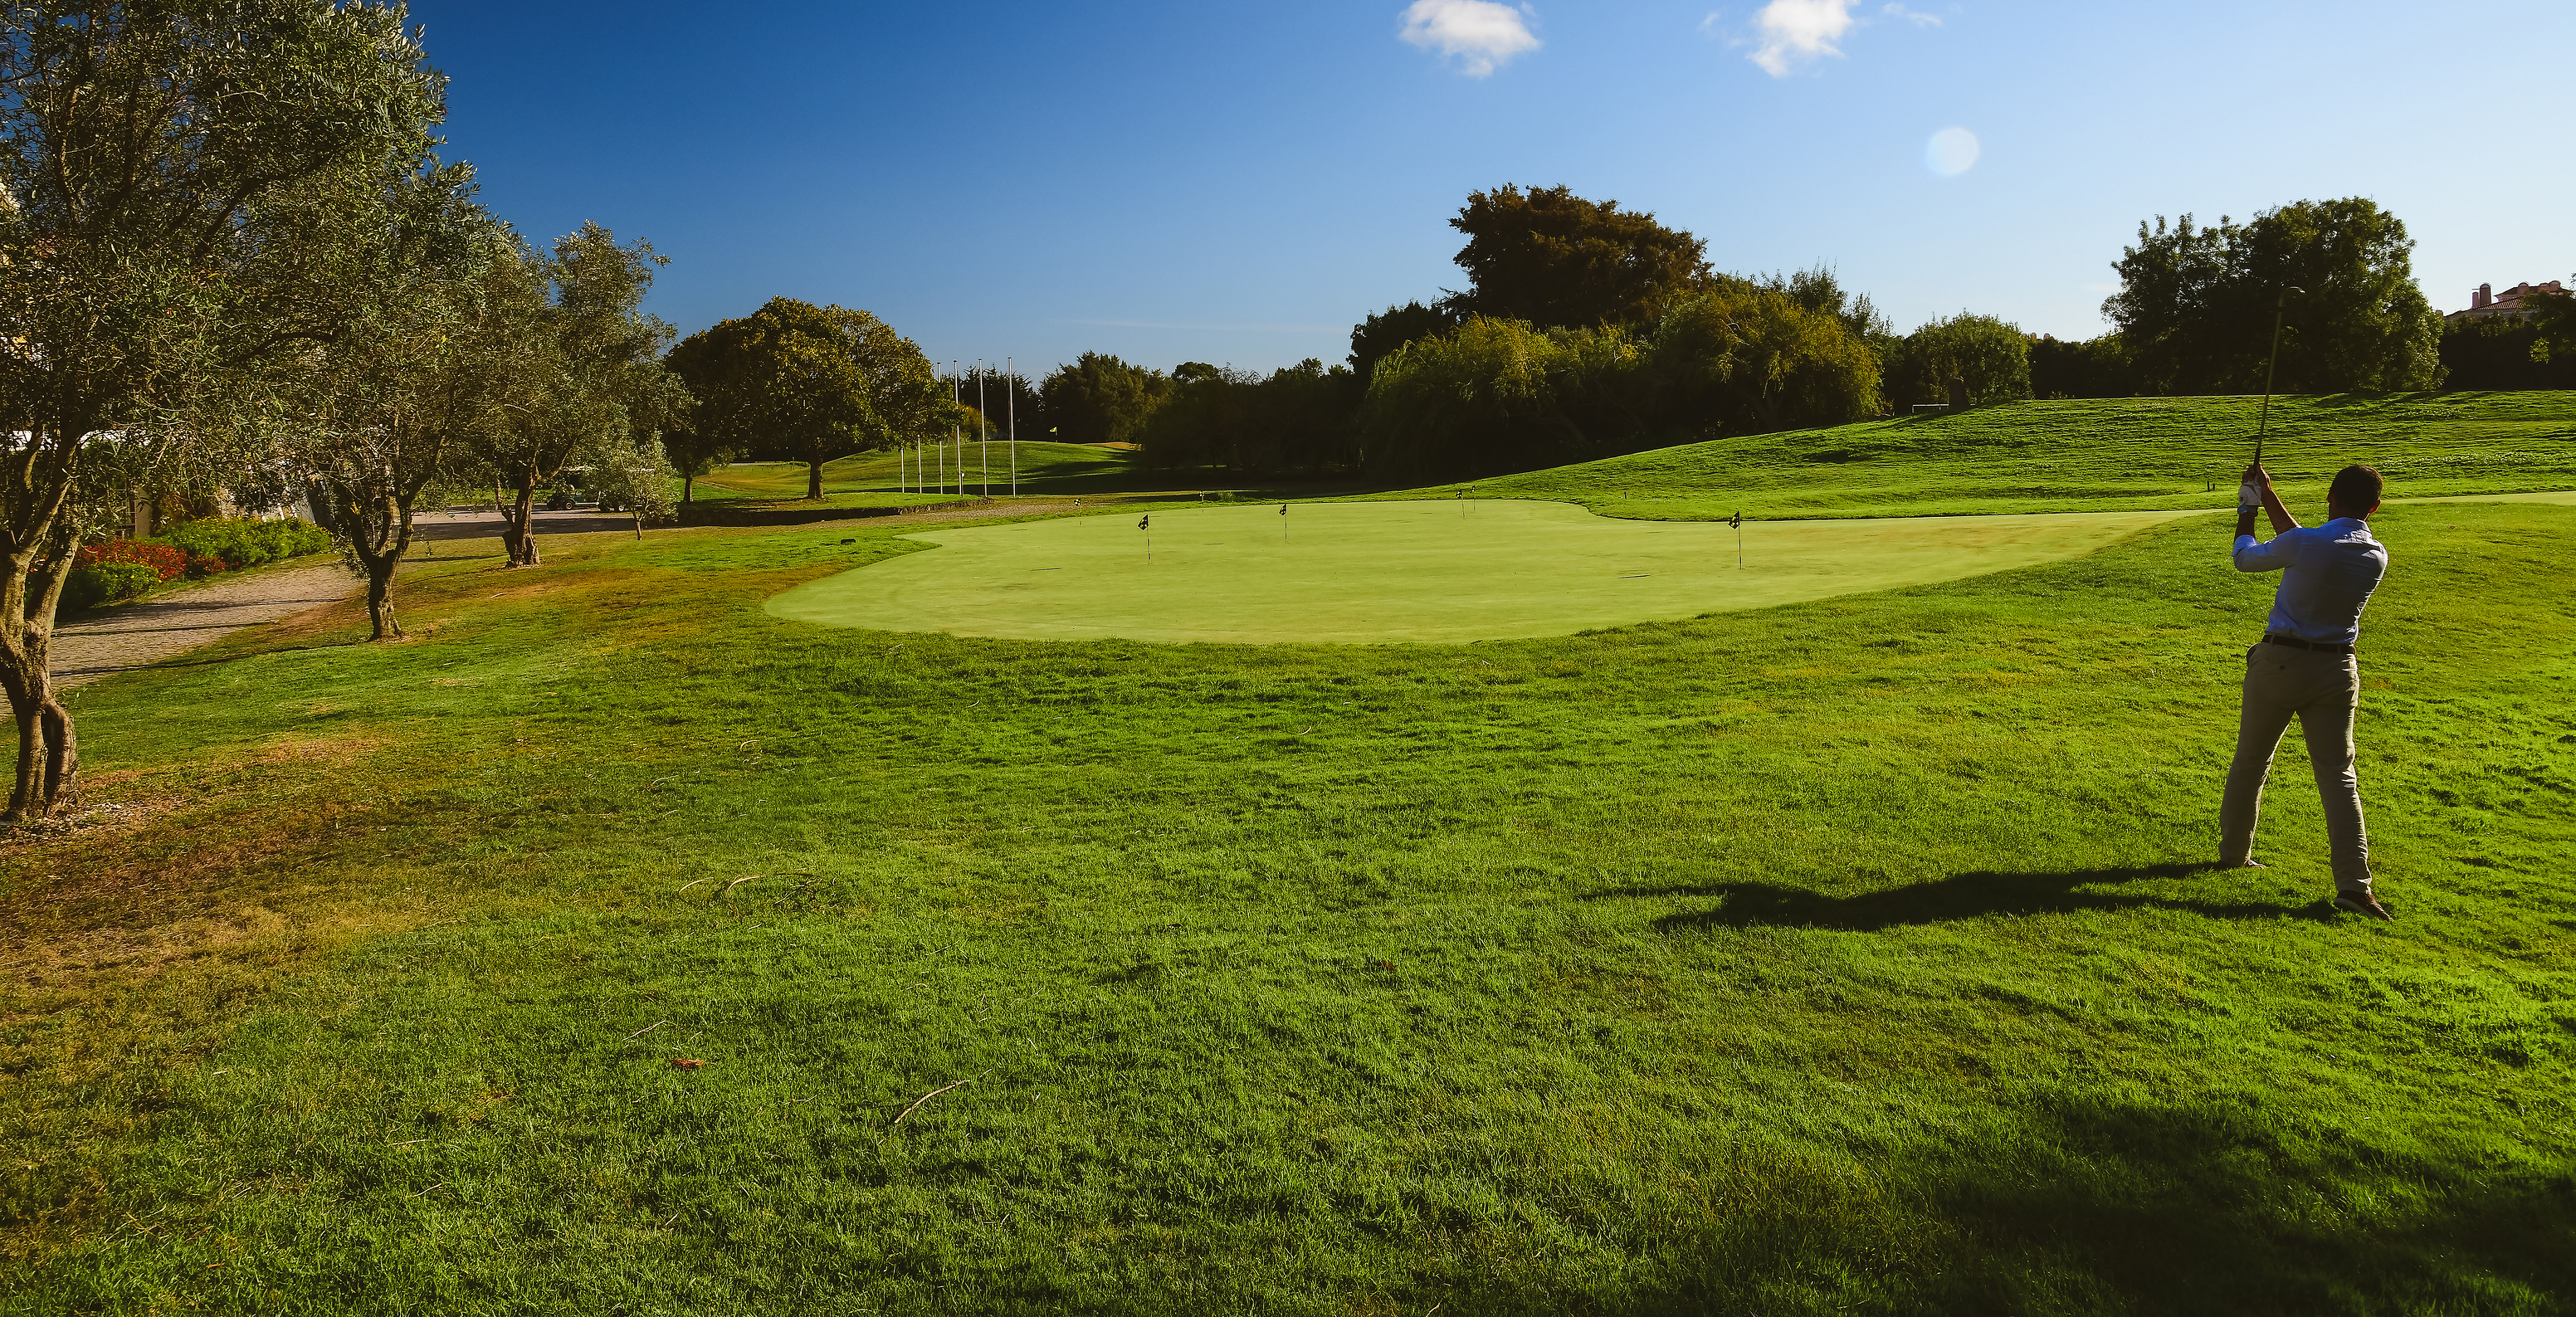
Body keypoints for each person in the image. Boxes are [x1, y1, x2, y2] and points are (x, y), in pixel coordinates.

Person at [2221, 461, 2393, 920]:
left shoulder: (2306, 543)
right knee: (2339, 777)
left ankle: (2234, 854)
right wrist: (2269, 494)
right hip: (2337, 670)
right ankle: (2356, 887)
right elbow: (2304, 543)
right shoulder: (2375, 554)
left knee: (2252, 760)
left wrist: (2248, 508)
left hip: (2280, 662)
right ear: (2374, 508)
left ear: (2329, 494)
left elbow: (2246, 558)